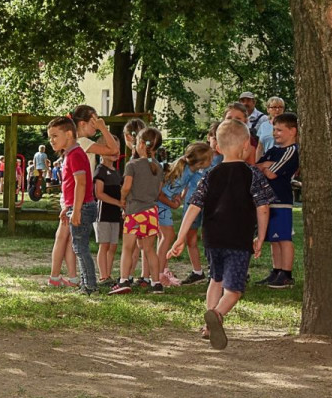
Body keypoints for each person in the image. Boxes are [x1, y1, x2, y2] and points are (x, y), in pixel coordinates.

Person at [170, 119, 274, 349]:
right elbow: (263, 208)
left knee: (215, 280)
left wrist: (180, 237)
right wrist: (262, 236)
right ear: (247, 145)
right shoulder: (253, 175)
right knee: (234, 290)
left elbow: (193, 206)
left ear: (217, 147)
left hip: (212, 238)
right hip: (238, 239)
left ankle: (208, 327)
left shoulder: (209, 175)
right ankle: (216, 315)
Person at [110, 127, 164, 294]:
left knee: (127, 248)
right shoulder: (159, 167)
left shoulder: (132, 165)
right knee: (149, 250)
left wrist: (123, 199)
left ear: (140, 144)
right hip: (151, 213)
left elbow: (126, 187)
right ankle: (156, 283)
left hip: (134, 212)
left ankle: (124, 280)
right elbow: (159, 190)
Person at [47, 117, 97, 294]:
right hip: (75, 206)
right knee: (78, 246)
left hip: (82, 207)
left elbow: (80, 184)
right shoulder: (70, 154)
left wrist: (75, 210)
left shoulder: (75, 154)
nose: (51, 140)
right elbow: (70, 186)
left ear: (69, 134)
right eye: (49, 137)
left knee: (80, 248)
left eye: (54, 135)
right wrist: (67, 208)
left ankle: (89, 285)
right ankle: (86, 283)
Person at [157, 142, 214, 286]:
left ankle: (161, 270)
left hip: (163, 205)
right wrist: (174, 204)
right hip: (160, 205)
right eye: (210, 159)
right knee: (168, 237)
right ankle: (160, 273)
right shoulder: (184, 173)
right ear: (201, 163)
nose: (212, 161)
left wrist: (178, 197)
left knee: (163, 237)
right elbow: (160, 195)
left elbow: (177, 190)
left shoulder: (189, 170)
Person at [254, 112, 299, 288]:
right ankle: (276, 270)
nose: (275, 133)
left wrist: (267, 167)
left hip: (281, 199)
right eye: (274, 129)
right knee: (274, 239)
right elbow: (257, 167)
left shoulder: (291, 151)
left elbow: (272, 174)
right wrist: (266, 166)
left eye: (279, 130)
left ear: (292, 131)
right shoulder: (273, 150)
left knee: (284, 238)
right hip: (268, 199)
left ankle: (286, 274)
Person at [92, 151, 123, 285]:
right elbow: (98, 193)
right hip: (103, 212)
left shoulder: (117, 172)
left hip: (115, 213)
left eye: (117, 149)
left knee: (113, 245)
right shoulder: (100, 170)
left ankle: (108, 275)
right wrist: (117, 202)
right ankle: (103, 276)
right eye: (110, 149)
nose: (115, 152)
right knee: (104, 244)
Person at [70, 104, 120, 172]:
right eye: (93, 122)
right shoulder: (83, 142)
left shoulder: (77, 142)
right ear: (83, 124)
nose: (96, 126)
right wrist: (103, 127)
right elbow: (114, 150)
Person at [239, 91, 274, 157]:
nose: (245, 103)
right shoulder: (237, 118)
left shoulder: (264, 119)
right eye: (243, 101)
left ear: (254, 102)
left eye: (248, 100)